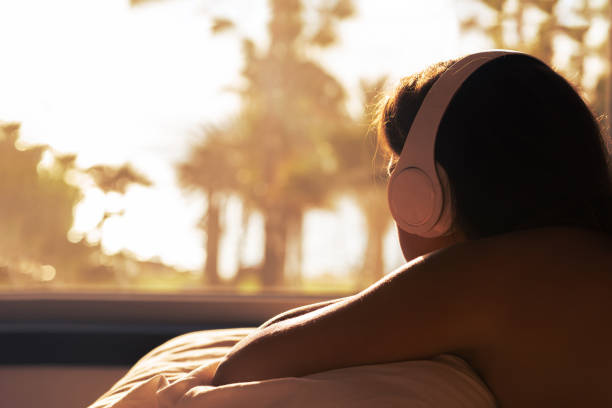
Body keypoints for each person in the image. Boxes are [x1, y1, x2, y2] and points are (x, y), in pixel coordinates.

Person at [211, 51, 612, 407]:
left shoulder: (478, 275)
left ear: (422, 192)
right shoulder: (581, 252)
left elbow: (243, 366)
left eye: (396, 168)